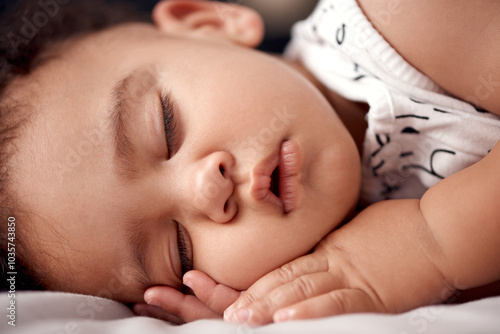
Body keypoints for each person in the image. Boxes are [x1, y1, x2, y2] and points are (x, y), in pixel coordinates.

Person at [0, 0, 498, 326]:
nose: (206, 190)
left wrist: (430, 243)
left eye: (167, 126)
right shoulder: (363, 278)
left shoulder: (404, 24)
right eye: (181, 251)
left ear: (210, 26)